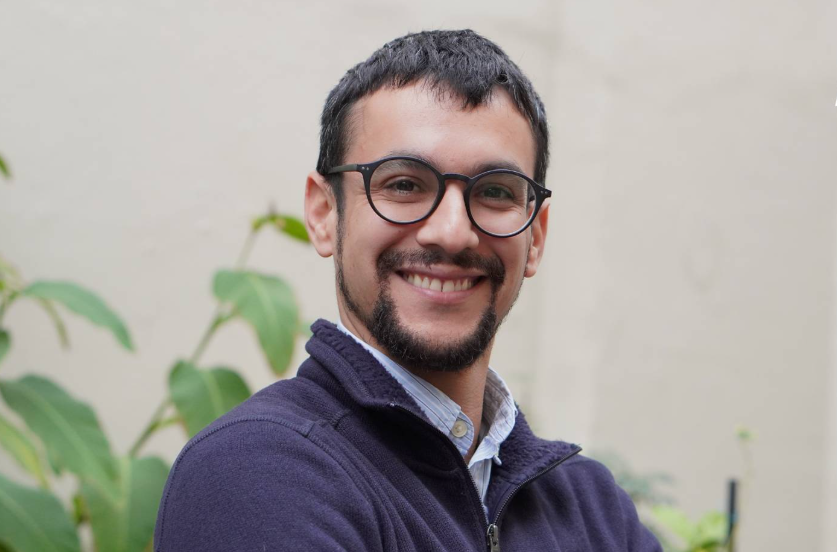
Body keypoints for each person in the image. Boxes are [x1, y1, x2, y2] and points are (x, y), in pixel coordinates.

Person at [154, 29, 661, 552]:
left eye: (495, 192)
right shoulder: (257, 472)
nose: (452, 232)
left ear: (536, 236)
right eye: (403, 184)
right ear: (325, 213)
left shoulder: (592, 508)